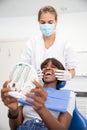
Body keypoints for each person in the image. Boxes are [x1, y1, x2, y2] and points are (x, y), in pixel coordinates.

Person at [1, 58, 75, 130]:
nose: (48, 68)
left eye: (53, 67)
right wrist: (13, 111)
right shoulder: (28, 91)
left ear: (61, 73)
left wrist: (41, 109)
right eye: (44, 67)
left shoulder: (67, 95)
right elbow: (15, 128)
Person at [20, 5, 78, 81]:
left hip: (57, 87)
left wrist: (69, 75)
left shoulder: (65, 44)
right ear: (39, 22)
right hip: (36, 86)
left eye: (50, 22)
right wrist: (31, 75)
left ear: (56, 22)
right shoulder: (31, 44)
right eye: (43, 22)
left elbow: (72, 70)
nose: (46, 25)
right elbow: (23, 68)